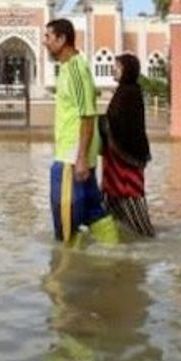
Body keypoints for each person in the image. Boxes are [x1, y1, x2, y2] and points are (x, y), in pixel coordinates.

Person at [43, 18, 119, 245]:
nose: (45, 42)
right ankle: (115, 253)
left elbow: (87, 115)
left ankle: (66, 263)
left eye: (48, 37)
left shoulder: (76, 69)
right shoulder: (67, 68)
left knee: (66, 219)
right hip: (76, 155)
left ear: (62, 39)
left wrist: (81, 158)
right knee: (92, 210)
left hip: (71, 157)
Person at [98, 53, 156, 238]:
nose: (113, 69)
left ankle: (146, 238)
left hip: (126, 160)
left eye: (118, 67)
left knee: (131, 199)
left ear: (127, 70)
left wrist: (100, 123)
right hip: (117, 161)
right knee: (112, 204)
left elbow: (123, 124)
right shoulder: (124, 91)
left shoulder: (130, 93)